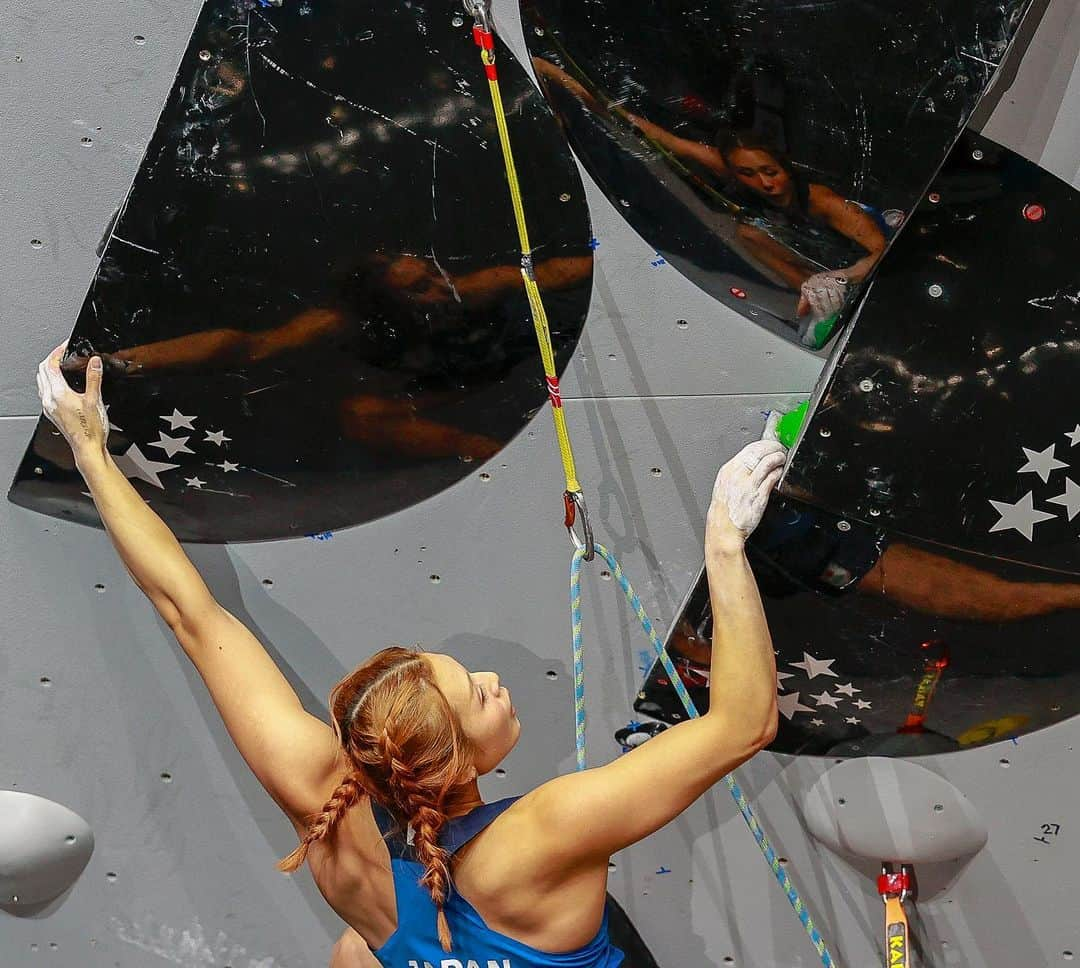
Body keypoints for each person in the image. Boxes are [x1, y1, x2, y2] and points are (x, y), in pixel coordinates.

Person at [36, 341, 783, 968]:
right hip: (531, 913)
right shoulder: (549, 830)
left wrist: (90, 453)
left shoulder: (322, 804)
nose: (494, 682)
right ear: (454, 765)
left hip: (416, 925)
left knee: (353, 954)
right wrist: (724, 542)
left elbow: (189, 614)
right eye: (478, 696)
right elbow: (743, 723)